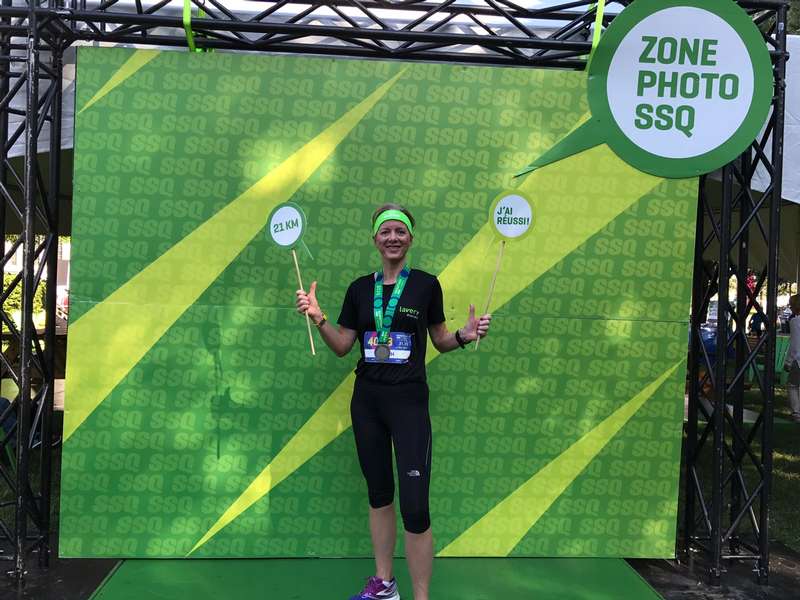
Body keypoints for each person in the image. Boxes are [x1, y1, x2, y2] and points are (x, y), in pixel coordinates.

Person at [295, 203, 491, 600]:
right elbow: (342, 346)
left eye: (400, 231)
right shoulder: (358, 289)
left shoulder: (426, 285)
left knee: (415, 509)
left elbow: (439, 339)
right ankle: (384, 585)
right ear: (375, 239)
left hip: (409, 405)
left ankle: (420, 596)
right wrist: (318, 318)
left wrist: (464, 336)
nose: (393, 238)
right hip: (367, 403)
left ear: (410, 239)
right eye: (385, 231)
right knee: (379, 494)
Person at [785, 294, 800, 423]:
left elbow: (795, 343)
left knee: (792, 385)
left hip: (798, 360)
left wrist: (788, 362)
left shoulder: (795, 321)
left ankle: (796, 412)